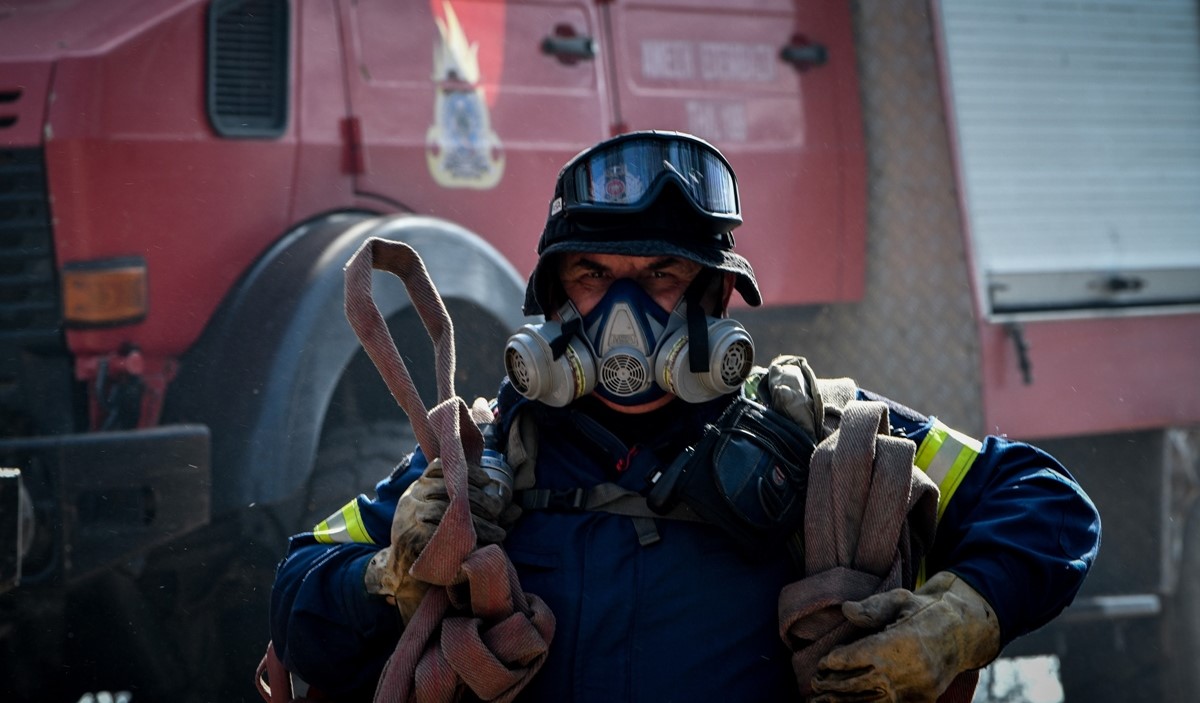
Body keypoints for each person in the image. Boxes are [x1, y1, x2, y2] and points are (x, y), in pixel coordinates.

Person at [269, 131, 1101, 702]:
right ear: (555, 301)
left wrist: (959, 621)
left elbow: (1047, 503)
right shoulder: (483, 456)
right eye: (594, 277)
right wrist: (389, 574)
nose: (623, 317)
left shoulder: (814, 433)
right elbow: (298, 588)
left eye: (660, 279)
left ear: (717, 294)